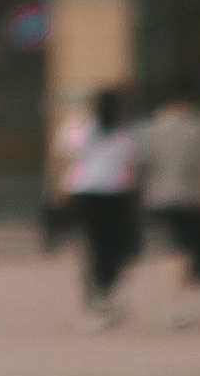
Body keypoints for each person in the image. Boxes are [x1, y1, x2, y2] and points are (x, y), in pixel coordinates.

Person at [135, 87, 200, 328]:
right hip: (192, 197)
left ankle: (179, 299)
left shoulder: (149, 130)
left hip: (159, 196)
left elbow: (140, 165)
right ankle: (181, 300)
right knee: (189, 249)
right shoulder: (198, 128)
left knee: (176, 248)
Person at [61, 85, 142, 325]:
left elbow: (63, 160)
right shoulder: (125, 134)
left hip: (86, 193)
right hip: (116, 194)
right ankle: (108, 289)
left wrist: (59, 192)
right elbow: (132, 166)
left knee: (93, 246)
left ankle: (97, 293)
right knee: (114, 246)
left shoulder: (78, 130)